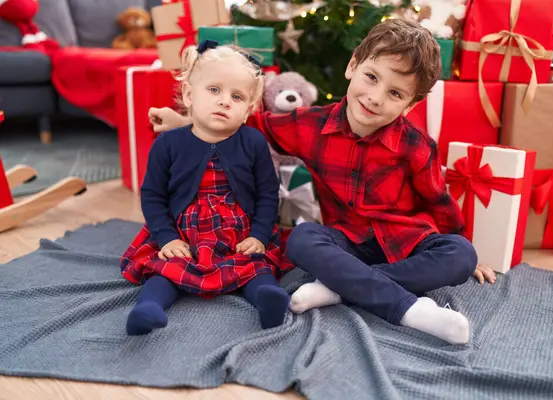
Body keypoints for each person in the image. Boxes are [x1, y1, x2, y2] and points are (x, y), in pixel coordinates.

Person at [148, 19, 496, 344]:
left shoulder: (416, 145)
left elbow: (438, 201)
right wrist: (184, 123)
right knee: (301, 239)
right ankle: (409, 309)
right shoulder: (310, 125)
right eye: (372, 77)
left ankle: (340, 288)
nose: (375, 97)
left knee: (460, 255)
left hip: (405, 239)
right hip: (344, 240)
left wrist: (464, 245)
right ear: (353, 65)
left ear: (411, 103)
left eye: (394, 94)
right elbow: (249, 125)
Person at [120, 40, 294, 336]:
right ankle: (148, 308)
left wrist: (258, 235)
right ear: (189, 95)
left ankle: (267, 298)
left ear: (248, 108)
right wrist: (166, 238)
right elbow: (153, 196)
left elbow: (267, 193)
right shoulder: (168, 143)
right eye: (214, 90)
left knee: (253, 265)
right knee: (166, 268)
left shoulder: (252, 142)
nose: (225, 101)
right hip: (184, 232)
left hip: (238, 231)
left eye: (236, 97)